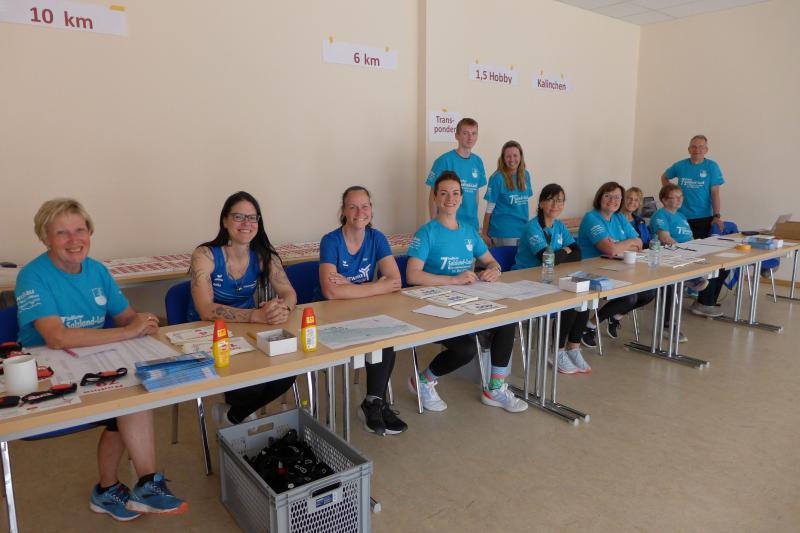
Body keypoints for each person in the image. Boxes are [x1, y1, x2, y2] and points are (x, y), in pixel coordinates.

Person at [14, 198, 187, 521]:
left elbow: (127, 318)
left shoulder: (97, 270)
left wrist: (144, 323)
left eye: (80, 230)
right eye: (62, 233)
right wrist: (127, 332)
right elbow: (57, 337)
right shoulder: (32, 276)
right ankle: (131, 487)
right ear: (45, 238)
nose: (74, 240)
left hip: (91, 360)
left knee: (136, 391)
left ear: (90, 232)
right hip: (46, 372)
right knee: (127, 400)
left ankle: (129, 487)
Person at [407, 171, 527, 413]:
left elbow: (491, 261)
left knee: (507, 320)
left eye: (455, 193)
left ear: (461, 198)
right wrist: (452, 279)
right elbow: (412, 275)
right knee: (466, 348)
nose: (450, 198)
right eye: (443, 193)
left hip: (467, 303)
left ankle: (494, 388)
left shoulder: (470, 231)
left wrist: (494, 270)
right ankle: (423, 381)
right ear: (435, 197)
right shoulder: (426, 232)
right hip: (433, 308)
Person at [188, 191, 297, 427]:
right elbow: (205, 309)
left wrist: (282, 308)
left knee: (287, 370)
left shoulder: (264, 254)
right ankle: (238, 414)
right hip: (207, 332)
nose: (246, 223)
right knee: (251, 383)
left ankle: (234, 415)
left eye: (252, 217)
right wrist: (256, 315)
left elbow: (289, 293)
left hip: (248, 331)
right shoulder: (205, 255)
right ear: (225, 221)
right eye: (238, 217)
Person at [319, 186, 408, 436]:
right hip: (333, 315)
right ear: (343, 211)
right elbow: (331, 292)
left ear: (371, 209)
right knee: (377, 337)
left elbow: (395, 282)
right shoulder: (331, 241)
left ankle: (373, 402)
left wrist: (349, 285)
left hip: (366, 310)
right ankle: (374, 403)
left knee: (387, 337)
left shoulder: (376, 238)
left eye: (365, 206)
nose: (360, 212)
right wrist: (376, 286)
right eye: (353, 206)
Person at [513, 183, 591, 374]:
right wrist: (566, 250)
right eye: (550, 200)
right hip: (526, 281)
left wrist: (561, 253)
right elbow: (546, 259)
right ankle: (556, 350)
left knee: (583, 297)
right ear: (541, 203)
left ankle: (573, 348)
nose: (555, 205)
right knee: (569, 301)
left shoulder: (559, 226)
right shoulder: (533, 227)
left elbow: (578, 254)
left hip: (550, 278)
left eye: (560, 200)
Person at [577, 182, 656, 347]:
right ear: (600, 197)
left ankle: (614, 316)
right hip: (592, 271)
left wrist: (620, 245)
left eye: (617, 197)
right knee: (629, 297)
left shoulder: (619, 217)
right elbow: (610, 250)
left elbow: (639, 244)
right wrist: (624, 244)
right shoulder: (592, 218)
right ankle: (589, 326)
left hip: (618, 268)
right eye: (608, 196)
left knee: (649, 292)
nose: (613, 200)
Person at [660, 135, 726, 317]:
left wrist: (717, 215)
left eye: (701, 147)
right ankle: (689, 288)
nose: (697, 150)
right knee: (683, 256)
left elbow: (715, 193)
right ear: (689, 149)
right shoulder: (680, 165)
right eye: (694, 147)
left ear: (706, 150)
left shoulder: (712, 167)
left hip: (703, 217)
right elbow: (665, 177)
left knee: (706, 258)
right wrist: (671, 192)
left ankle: (704, 301)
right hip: (681, 217)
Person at [650, 184, 721, 339]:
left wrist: (698, 248)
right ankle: (668, 325)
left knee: (719, 266)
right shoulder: (661, 215)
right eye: (674, 197)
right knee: (672, 286)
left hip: (686, 254)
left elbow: (690, 238)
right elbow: (665, 238)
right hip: (668, 257)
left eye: (681, 196)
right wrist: (685, 251)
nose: (679, 200)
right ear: (664, 200)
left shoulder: (681, 216)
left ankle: (694, 282)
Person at [426, 117, 487, 233]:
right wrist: (434, 223)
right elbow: (433, 194)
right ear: (456, 136)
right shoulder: (444, 161)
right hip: (447, 224)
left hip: (471, 225)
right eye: (465, 133)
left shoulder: (478, 162)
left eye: (474, 133)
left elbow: (476, 193)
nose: (470, 137)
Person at [481, 140, 533, 247]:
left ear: (521, 157)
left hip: (522, 231)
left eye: (515, 155)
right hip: (503, 232)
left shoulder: (526, 175)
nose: (512, 159)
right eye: (508, 156)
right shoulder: (497, 178)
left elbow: (523, 205)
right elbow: (489, 208)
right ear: (503, 158)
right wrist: (484, 233)